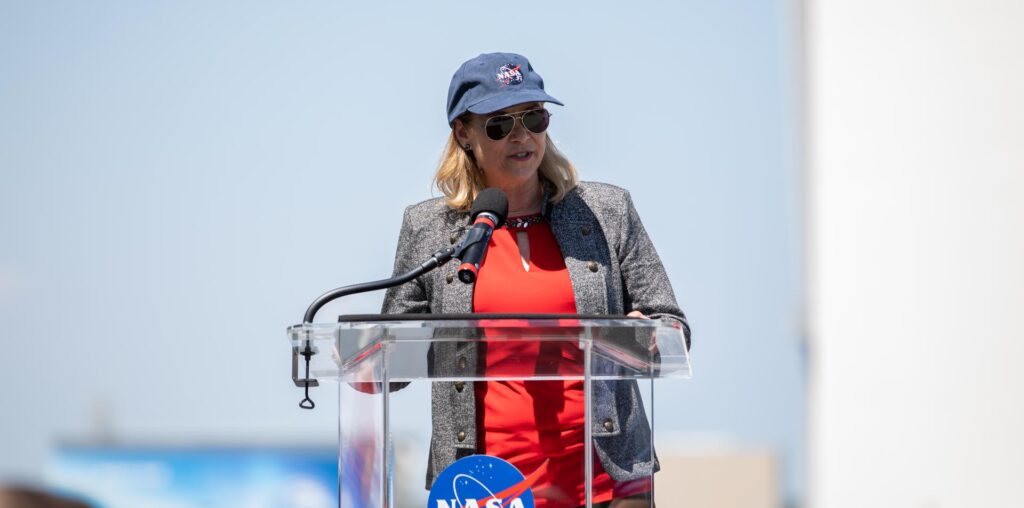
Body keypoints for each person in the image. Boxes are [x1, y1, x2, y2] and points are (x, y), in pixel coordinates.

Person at [381, 52, 689, 508]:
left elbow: (673, 323)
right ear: (464, 133)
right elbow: (390, 357)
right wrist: (366, 360)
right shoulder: (430, 228)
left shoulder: (606, 212)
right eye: (500, 125)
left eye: (534, 118)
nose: (522, 136)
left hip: (605, 482)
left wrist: (647, 335)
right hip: (481, 488)